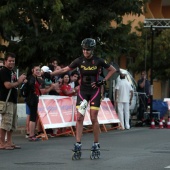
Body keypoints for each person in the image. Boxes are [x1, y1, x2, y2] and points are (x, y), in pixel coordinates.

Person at [44, 38, 116, 157]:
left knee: (93, 118)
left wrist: (103, 81)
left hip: (95, 92)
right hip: (83, 91)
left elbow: (112, 70)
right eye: (83, 49)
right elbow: (65, 69)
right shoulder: (79, 60)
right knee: (79, 117)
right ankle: (78, 143)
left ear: (92, 50)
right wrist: (50, 74)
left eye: (87, 50)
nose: (85, 52)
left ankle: (96, 143)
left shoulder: (98, 61)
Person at [0, 52, 26, 150]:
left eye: (13, 61)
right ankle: (2, 143)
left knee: (12, 123)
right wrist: (19, 81)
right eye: (10, 61)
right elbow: (7, 85)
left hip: (13, 100)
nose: (12, 63)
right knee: (6, 123)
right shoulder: (4, 71)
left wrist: (20, 81)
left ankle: (9, 142)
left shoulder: (12, 72)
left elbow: (14, 84)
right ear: (5, 61)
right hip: (6, 100)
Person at [25, 63, 55, 141]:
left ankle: (32, 134)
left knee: (33, 117)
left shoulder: (35, 78)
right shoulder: (32, 78)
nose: (38, 71)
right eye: (36, 70)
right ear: (32, 70)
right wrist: (34, 93)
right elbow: (31, 86)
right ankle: (31, 135)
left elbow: (43, 82)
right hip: (32, 99)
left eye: (39, 70)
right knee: (33, 117)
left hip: (33, 98)